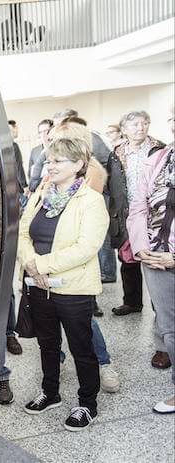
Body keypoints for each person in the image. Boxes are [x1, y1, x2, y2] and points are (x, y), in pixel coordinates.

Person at [18, 137, 108, 431]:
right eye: (49, 160)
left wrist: (41, 265)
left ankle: (87, 404)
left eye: (58, 161)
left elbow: (86, 247)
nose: (50, 166)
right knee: (47, 344)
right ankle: (51, 392)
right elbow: (22, 233)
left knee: (81, 347)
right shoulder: (41, 194)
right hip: (38, 284)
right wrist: (31, 263)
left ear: (79, 165)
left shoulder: (91, 200)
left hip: (73, 288)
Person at [42, 120, 120, 392]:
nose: (49, 145)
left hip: (73, 263)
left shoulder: (94, 173)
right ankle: (59, 360)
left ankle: (104, 364)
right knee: (51, 320)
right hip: (50, 260)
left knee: (84, 321)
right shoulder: (52, 173)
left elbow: (82, 224)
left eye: (56, 141)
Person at [127, 107, 175, 414]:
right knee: (170, 328)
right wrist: (142, 248)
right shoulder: (158, 159)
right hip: (155, 257)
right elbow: (139, 207)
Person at [28, 119, 53, 192]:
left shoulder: (59, 149)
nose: (43, 135)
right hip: (39, 189)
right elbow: (31, 176)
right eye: (40, 132)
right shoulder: (35, 151)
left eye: (46, 131)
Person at [8, 120, 29, 202]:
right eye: (16, 128)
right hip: (18, 188)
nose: (17, 131)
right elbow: (18, 167)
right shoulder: (13, 146)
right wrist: (24, 186)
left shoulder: (2, 148)